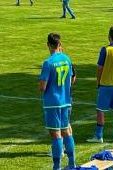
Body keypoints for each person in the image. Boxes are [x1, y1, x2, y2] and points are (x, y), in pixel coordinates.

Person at [39, 33, 76, 170]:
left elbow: (42, 87)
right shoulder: (67, 59)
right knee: (66, 131)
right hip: (66, 101)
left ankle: (57, 166)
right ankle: (72, 163)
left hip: (52, 102)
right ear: (59, 44)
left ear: (48, 44)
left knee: (55, 133)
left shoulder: (48, 63)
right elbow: (72, 79)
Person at [87, 25, 113, 144]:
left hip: (106, 84)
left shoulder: (105, 50)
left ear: (109, 36)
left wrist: (98, 81)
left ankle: (99, 135)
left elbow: (100, 67)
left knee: (100, 110)